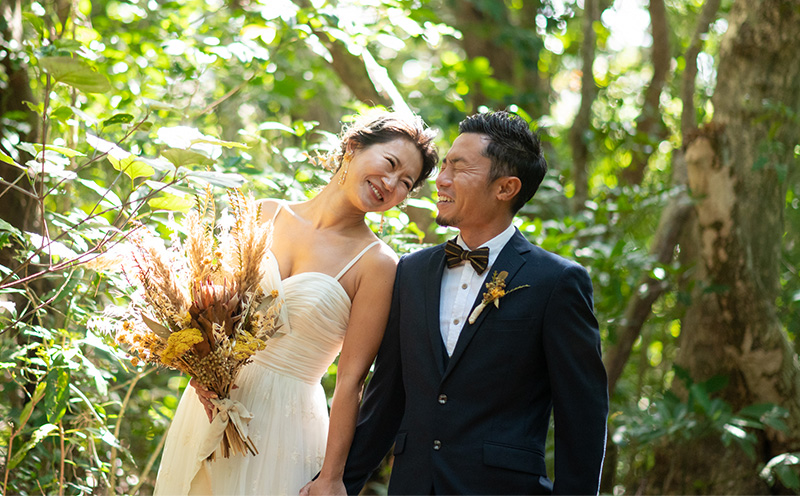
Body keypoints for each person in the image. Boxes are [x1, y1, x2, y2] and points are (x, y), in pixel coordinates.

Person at [153, 110, 439, 496]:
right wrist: (198, 371)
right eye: (390, 163)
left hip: (286, 424)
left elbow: (352, 380)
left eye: (406, 182)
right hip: (209, 406)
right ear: (353, 147)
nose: (391, 183)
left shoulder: (378, 264)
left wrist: (333, 476)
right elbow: (211, 313)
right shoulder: (266, 212)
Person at [330, 110, 609, 495]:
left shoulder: (556, 282)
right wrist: (336, 484)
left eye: (458, 169)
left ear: (506, 188)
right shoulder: (410, 272)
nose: (440, 181)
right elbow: (386, 399)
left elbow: (583, 418)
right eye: (443, 166)